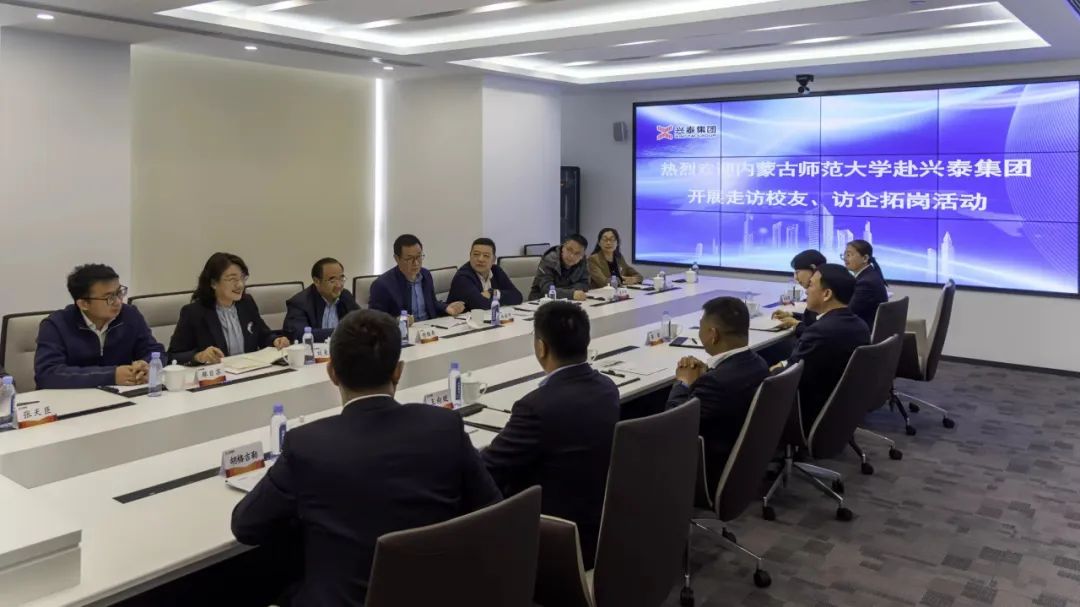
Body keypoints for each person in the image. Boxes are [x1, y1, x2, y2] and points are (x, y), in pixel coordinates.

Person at [232, 309, 500, 606]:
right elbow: (493, 509)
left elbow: (246, 526)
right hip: (437, 594)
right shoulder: (444, 426)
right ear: (398, 371)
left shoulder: (307, 445)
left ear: (331, 373)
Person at [482, 301, 619, 568]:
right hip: (601, 523)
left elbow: (490, 469)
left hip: (553, 535)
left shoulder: (535, 407)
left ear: (541, 347)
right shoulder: (608, 388)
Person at [666, 297, 769, 504]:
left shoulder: (716, 383)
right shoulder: (759, 363)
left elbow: (674, 424)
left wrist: (683, 382)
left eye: (700, 327)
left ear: (713, 335)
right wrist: (707, 374)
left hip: (709, 469)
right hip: (745, 462)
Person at [34, 264, 164, 389]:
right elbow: (47, 373)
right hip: (71, 399)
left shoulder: (130, 315)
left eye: (119, 293)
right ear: (84, 304)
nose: (118, 302)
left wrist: (147, 366)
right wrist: (111, 375)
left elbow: (154, 350)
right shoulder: (56, 325)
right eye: (109, 297)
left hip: (120, 395)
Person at [774, 264, 870, 424]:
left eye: (811, 285)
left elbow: (787, 377)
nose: (806, 291)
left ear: (827, 294)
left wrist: (772, 369)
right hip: (841, 409)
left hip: (808, 413)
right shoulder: (860, 326)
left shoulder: (819, 332)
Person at [168, 252, 290, 365]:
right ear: (213, 283)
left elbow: (263, 335)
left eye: (242, 278)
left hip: (249, 371)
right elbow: (173, 356)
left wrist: (275, 340)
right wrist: (198, 356)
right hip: (218, 376)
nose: (240, 285)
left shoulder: (246, 303)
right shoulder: (194, 312)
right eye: (232, 279)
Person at [368, 234, 465, 322]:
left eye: (419, 257)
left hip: (429, 327)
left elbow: (431, 303)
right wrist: (397, 321)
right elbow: (374, 320)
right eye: (409, 259)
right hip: (403, 331)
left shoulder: (426, 275)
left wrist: (446, 307)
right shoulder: (382, 285)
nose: (416, 263)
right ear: (397, 259)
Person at [283, 257, 359, 342]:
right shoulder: (300, 302)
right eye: (332, 280)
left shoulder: (345, 295)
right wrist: (344, 332)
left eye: (341, 279)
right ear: (317, 281)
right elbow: (299, 334)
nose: (339, 285)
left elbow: (362, 323)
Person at [447, 238, 523, 311]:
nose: (480, 259)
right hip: (459, 319)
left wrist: (492, 293)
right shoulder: (462, 277)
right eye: (476, 254)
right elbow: (482, 305)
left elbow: (517, 296)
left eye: (486, 256)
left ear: (493, 260)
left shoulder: (496, 270)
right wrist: (502, 297)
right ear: (470, 256)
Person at [772, 249, 827, 335]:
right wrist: (791, 315)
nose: (795, 277)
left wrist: (796, 325)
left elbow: (820, 333)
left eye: (797, 272)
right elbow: (813, 319)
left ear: (813, 268)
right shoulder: (820, 291)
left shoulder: (822, 294)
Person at [843, 239, 889, 331]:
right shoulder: (869, 274)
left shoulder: (866, 283)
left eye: (849, 255)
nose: (845, 258)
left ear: (865, 258)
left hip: (863, 331)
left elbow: (849, 313)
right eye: (844, 255)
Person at [528, 234, 590, 301]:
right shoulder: (550, 259)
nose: (572, 256)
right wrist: (571, 293)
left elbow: (585, 284)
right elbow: (547, 289)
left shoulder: (582, 261)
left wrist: (564, 292)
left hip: (568, 300)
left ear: (582, 256)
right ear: (563, 247)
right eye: (569, 250)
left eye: (577, 253)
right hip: (540, 301)